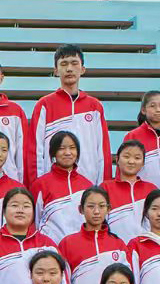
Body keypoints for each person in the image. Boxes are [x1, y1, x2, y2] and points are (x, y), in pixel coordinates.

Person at [32, 44, 110, 183]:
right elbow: (35, 150)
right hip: (53, 185)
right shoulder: (44, 105)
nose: (69, 68)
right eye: (64, 64)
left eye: (74, 63)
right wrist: (38, 184)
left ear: (83, 69)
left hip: (88, 183)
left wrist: (102, 187)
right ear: (56, 71)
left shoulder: (95, 107)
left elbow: (102, 151)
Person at [53, 183, 127, 284]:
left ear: (109, 209)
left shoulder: (118, 244)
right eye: (91, 206)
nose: (96, 211)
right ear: (81, 209)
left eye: (102, 206)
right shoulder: (67, 244)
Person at [124, 89, 160, 185]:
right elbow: (124, 168)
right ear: (143, 110)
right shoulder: (132, 136)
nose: (158, 110)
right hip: (143, 192)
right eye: (152, 106)